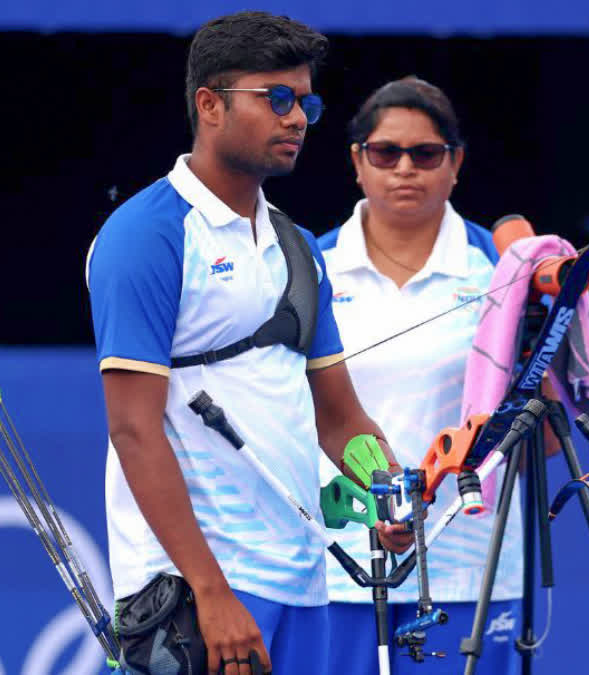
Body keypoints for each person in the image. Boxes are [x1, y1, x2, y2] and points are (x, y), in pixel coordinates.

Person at [86, 13, 410, 675]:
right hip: (195, 587)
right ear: (209, 103)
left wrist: (390, 491)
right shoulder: (146, 236)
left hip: (302, 580)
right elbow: (133, 430)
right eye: (278, 99)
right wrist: (210, 590)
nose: (298, 119)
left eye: (307, 103)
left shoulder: (296, 246)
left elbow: (341, 417)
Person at [317, 76, 524, 674]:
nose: (404, 167)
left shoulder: (505, 274)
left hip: (469, 565)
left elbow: (537, 417)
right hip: (341, 566)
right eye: (385, 152)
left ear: (455, 163)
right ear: (358, 162)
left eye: (426, 153)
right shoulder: (311, 268)